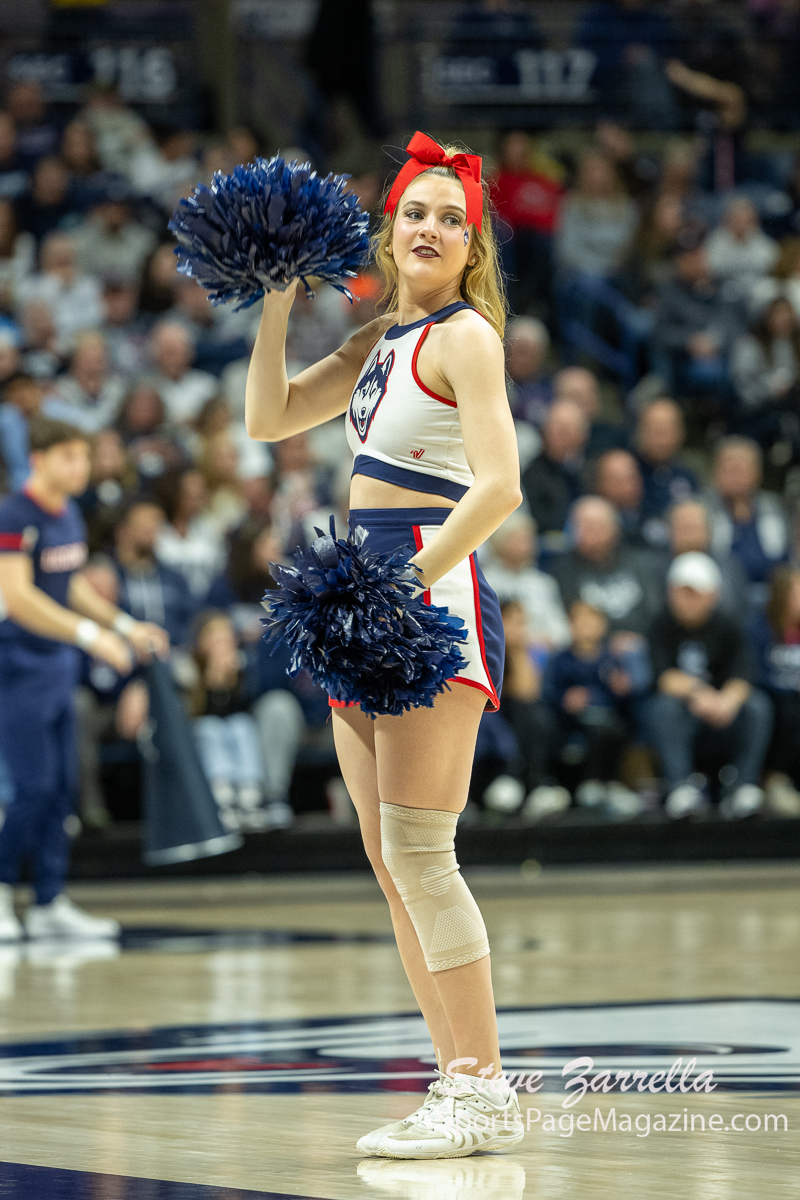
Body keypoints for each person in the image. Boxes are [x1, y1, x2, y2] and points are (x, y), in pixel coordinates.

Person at [245, 132, 524, 1156]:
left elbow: (500, 486)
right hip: (359, 596)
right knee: (387, 858)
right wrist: (277, 297)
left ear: (471, 246)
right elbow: (269, 416)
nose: (431, 229)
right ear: (388, 228)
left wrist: (407, 581)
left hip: (423, 591)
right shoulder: (377, 340)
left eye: (453, 219)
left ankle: (482, 1088)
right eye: (416, 212)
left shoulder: (466, 338)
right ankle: (455, 1083)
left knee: (420, 851)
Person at [0, 416, 168, 942]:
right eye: (69, 457)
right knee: (32, 788)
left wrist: (123, 625)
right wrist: (91, 637)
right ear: (39, 460)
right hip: (16, 667)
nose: (81, 468)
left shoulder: (69, 514)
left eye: (84, 457)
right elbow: (18, 596)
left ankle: (48, 901)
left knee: (64, 790)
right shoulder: (13, 515)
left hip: (57, 667)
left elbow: (68, 583)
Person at [645, 551, 773, 819]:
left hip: (724, 713)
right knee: (663, 707)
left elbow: (742, 675)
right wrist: (699, 694)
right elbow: (664, 678)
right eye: (682, 593)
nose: (687, 601)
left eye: (695, 594)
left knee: (758, 706)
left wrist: (726, 701)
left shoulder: (729, 626)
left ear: (712, 595)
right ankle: (681, 787)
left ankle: (743, 787)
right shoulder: (660, 625)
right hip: (685, 714)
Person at [542, 599, 644, 815]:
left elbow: (624, 698)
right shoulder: (560, 660)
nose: (586, 627)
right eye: (580, 621)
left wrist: (622, 690)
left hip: (608, 723)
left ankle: (605, 784)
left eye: (592, 621)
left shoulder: (613, 658)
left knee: (614, 730)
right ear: (570, 625)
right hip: (570, 724)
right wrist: (565, 700)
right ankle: (568, 786)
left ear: (603, 625)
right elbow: (548, 694)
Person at [550, 495, 664, 636]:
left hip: (643, 638)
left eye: (598, 525)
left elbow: (654, 610)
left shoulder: (640, 563)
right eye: (585, 526)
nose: (592, 533)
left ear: (615, 528)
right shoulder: (563, 572)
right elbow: (573, 620)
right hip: (596, 643)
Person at [706, 436, 789, 608]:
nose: (736, 474)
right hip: (719, 596)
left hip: (771, 595)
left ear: (758, 473)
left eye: (742, 467)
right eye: (730, 467)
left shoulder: (773, 508)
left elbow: (786, 557)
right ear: (716, 472)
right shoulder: (701, 509)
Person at [482, 511, 570, 650]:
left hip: (540, 652)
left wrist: (534, 640)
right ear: (499, 541)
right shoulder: (485, 581)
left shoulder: (543, 583)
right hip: (498, 651)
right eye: (517, 539)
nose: (524, 546)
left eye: (527, 539)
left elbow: (562, 632)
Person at [521, 399, 588, 545]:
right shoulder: (533, 473)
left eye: (566, 430)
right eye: (555, 428)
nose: (559, 435)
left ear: (582, 435)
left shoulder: (589, 470)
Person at [633, 397, 698, 519]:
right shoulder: (628, 471)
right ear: (641, 431)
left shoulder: (689, 474)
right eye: (655, 432)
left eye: (666, 432)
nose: (661, 440)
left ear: (680, 433)